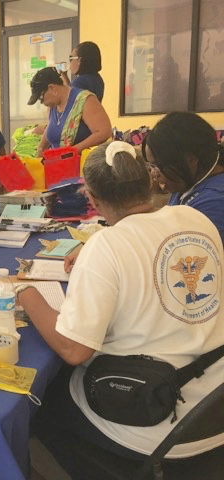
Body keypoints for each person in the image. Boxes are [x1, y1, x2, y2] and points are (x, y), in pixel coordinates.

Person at [17, 141, 224, 478]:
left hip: (155, 423)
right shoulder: (193, 216)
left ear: (92, 198)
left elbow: (73, 348)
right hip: (213, 408)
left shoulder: (107, 245)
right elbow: (145, 243)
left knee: (43, 402)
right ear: (150, 181)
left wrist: (27, 294)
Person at [144, 111, 224, 243]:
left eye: (158, 166)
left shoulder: (214, 201)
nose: (154, 174)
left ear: (190, 160)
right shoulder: (186, 182)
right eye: (151, 166)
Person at [28, 67, 111, 158]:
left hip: (79, 166)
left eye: (41, 98)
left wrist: (72, 151)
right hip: (57, 166)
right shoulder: (53, 107)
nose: (42, 103)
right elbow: (51, 132)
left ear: (51, 88)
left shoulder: (84, 100)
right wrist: (41, 150)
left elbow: (104, 132)